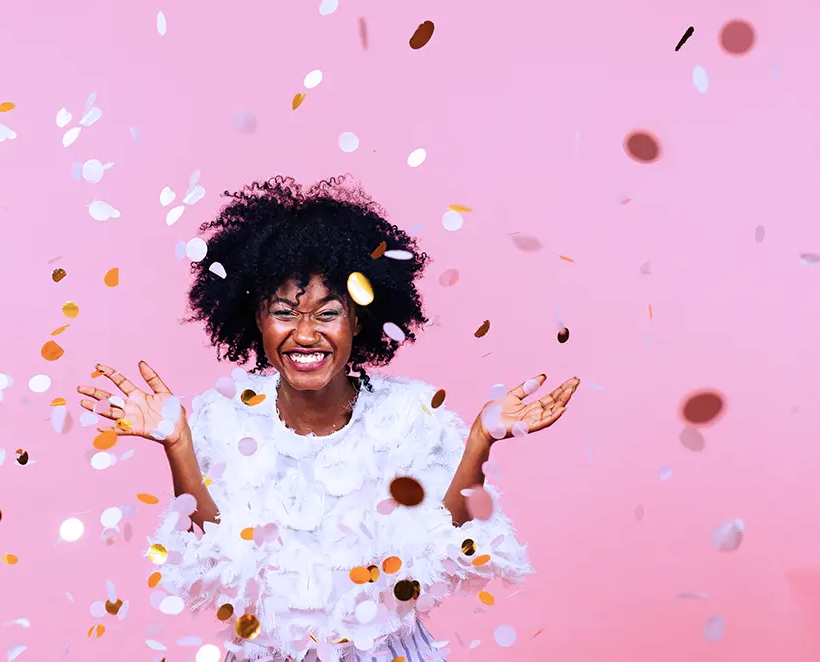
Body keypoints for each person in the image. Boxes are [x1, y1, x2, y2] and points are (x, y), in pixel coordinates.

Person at [77, 177, 579, 662]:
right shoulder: (224, 416)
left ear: (358, 319)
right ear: (255, 319)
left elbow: (439, 548)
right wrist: (178, 444)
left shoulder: (409, 414)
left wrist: (479, 442)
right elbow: (218, 562)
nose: (305, 333)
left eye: (326, 313)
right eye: (284, 311)